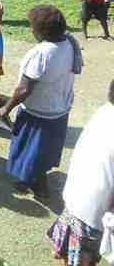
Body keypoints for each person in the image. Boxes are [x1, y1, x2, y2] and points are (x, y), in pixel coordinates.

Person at [0, 5, 79, 198]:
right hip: (59, 107)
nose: (31, 30)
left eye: (32, 27)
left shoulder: (41, 53)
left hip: (38, 111)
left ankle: (40, 186)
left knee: (32, 150)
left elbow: (24, 89)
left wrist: (5, 109)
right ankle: (31, 179)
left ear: (41, 31)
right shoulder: (70, 42)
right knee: (45, 149)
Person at [46, 80, 114, 265]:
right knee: (83, 257)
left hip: (76, 197)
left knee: (72, 251)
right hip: (93, 211)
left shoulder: (105, 111)